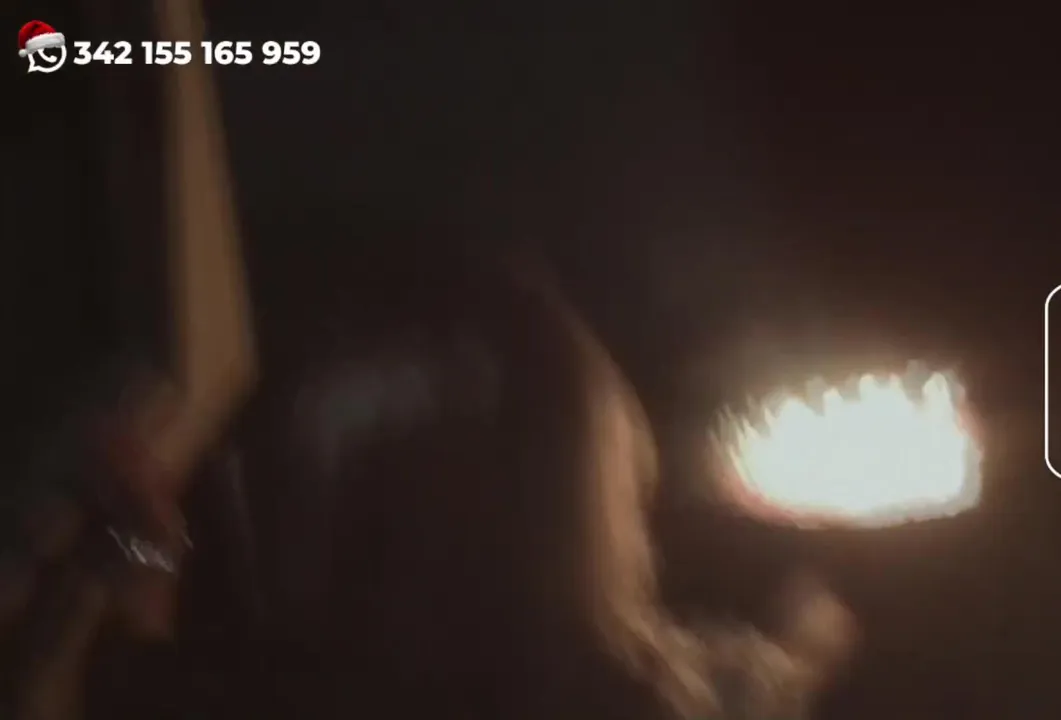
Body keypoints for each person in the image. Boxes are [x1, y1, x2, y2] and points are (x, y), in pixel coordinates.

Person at [3, 2, 856, 718]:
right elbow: (792, 658)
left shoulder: (296, 685)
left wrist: (142, 542)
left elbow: (137, 646)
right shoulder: (650, 688)